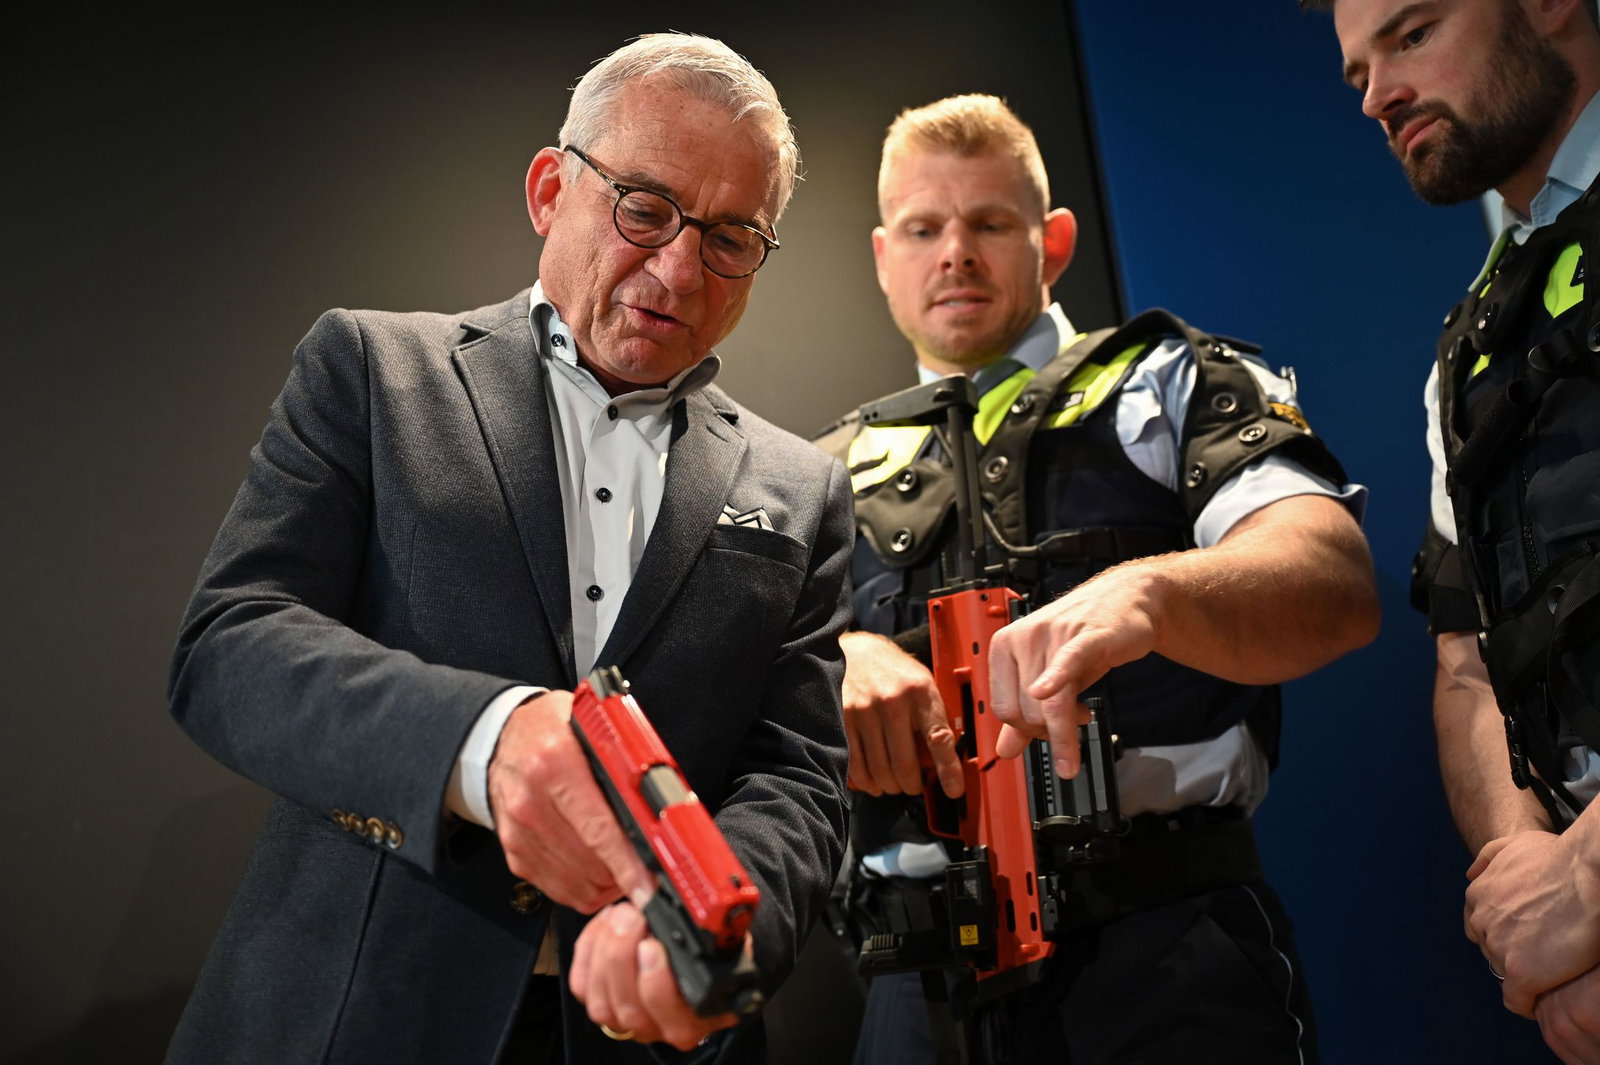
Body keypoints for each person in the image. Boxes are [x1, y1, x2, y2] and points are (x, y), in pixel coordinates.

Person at [164, 33, 852, 1065]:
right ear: (548, 190)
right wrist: (483, 743)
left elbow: (796, 780)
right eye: (646, 208)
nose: (678, 266)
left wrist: (711, 929)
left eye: (730, 238)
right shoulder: (371, 368)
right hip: (351, 1013)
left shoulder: (802, 488)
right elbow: (229, 644)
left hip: (641, 1032)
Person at [818, 94, 1379, 1064]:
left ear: (1055, 240)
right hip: (911, 987)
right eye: (923, 228)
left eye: (989, 222)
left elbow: (1332, 579)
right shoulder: (811, 474)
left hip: (1163, 951)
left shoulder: (1169, 380)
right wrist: (837, 656)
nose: (954, 252)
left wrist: (1149, 594)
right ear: (881, 255)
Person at [1316, 0, 1600, 1058]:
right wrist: (1534, 919)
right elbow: (1467, 666)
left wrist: (1583, 888)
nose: (1379, 95)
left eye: (1412, 32)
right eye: (1356, 75)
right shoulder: (1466, 351)